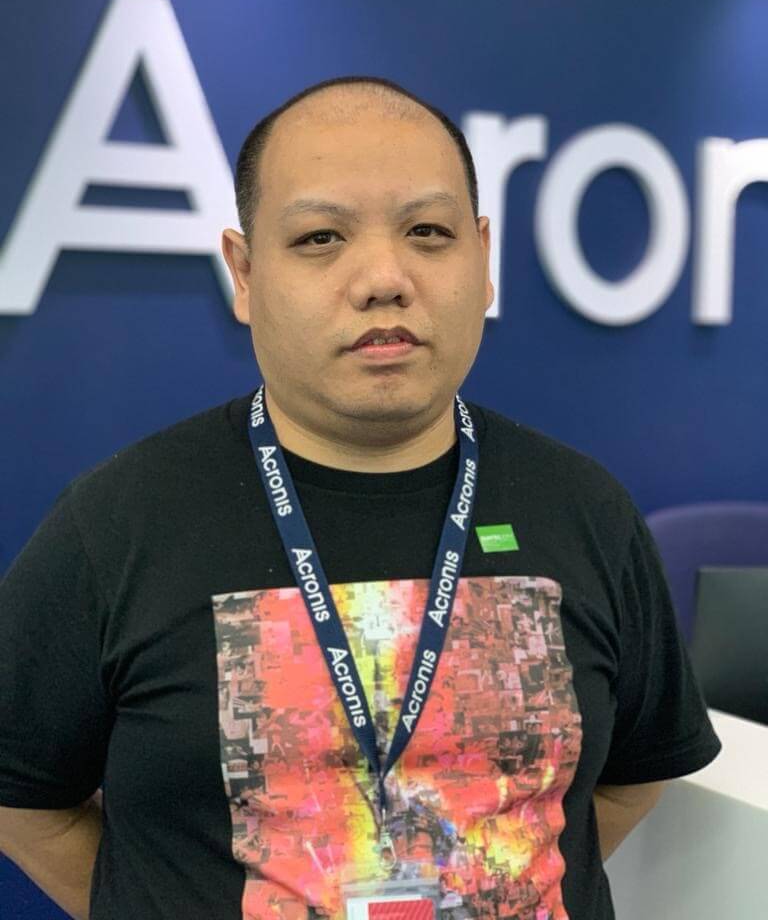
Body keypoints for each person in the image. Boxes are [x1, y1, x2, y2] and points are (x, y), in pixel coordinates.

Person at [0, 75, 721, 920]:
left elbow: (632, 781)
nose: (384, 277)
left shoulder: (587, 511)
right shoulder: (117, 525)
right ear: (244, 272)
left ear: (483, 260)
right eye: (319, 238)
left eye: (428, 232)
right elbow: (25, 800)